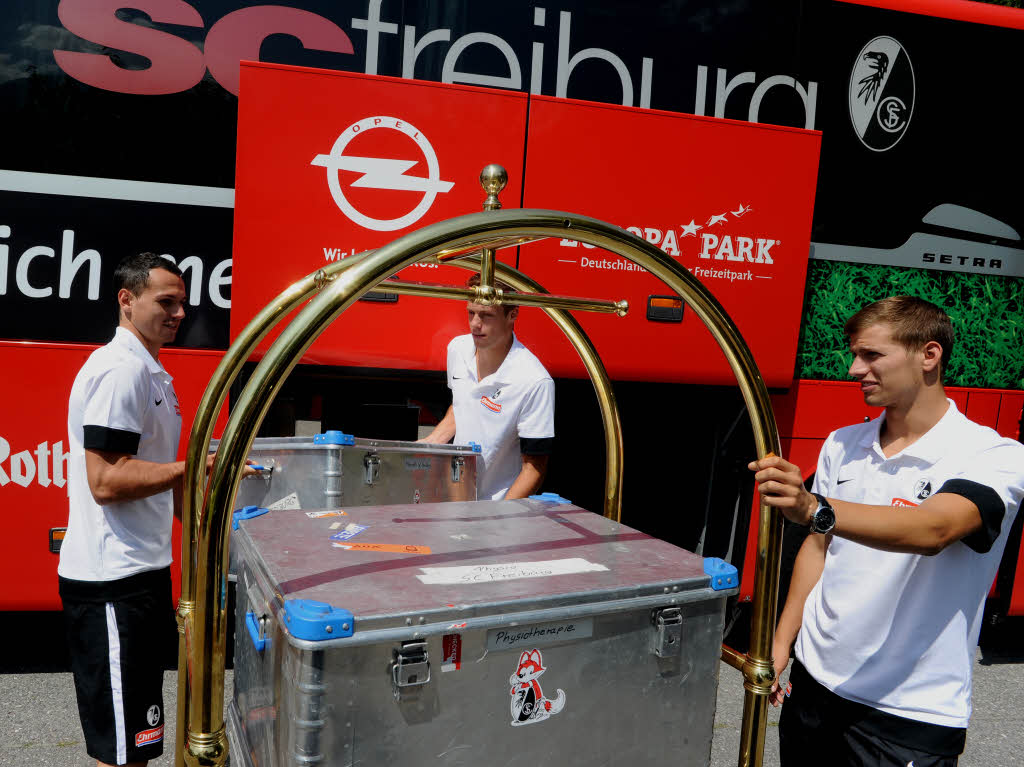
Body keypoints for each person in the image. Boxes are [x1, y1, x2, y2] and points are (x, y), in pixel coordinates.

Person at [749, 296, 1024, 767]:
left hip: (906, 709)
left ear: (929, 355)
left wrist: (816, 506)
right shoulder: (842, 442)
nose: (855, 368)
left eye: (872, 355)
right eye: (855, 354)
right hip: (814, 685)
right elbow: (818, 548)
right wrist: (781, 643)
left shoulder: (994, 454)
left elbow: (934, 529)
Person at [57, 252, 242, 767]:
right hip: (110, 581)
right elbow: (107, 480)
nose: (179, 312)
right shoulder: (121, 371)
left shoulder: (151, 371)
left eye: (182, 302)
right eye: (166, 301)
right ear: (126, 300)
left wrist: (218, 539)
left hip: (140, 575)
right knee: (121, 751)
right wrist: (194, 467)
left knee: (137, 740)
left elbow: (164, 479)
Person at [421, 279, 554, 500]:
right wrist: (427, 445)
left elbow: (534, 469)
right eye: (470, 313)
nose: (475, 323)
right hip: (453, 498)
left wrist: (496, 516)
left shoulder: (535, 381)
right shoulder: (457, 348)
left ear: (513, 315)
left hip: (496, 509)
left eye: (486, 315)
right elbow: (461, 405)